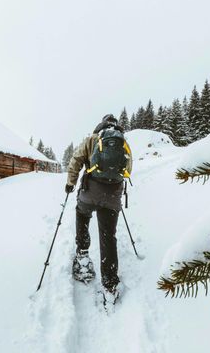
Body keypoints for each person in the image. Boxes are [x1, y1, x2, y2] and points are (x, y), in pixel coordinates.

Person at [65, 114, 132, 303]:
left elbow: (75, 160)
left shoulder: (92, 139)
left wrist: (70, 183)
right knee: (108, 236)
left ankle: (83, 256)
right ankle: (110, 285)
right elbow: (129, 169)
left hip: (89, 192)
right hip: (112, 198)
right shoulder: (123, 142)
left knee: (82, 214)